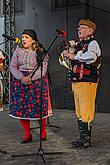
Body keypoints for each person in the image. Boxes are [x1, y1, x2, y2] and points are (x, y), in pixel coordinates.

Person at [59, 19, 101, 148]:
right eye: (79, 27)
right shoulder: (79, 44)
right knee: (79, 110)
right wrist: (67, 55)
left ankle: (86, 139)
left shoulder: (92, 43)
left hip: (87, 82)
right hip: (77, 81)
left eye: (82, 27)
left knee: (86, 110)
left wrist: (74, 56)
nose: (79, 30)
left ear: (90, 31)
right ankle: (82, 138)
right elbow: (71, 55)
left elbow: (92, 57)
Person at [9, 29, 52, 143]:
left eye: (26, 37)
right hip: (21, 81)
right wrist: (21, 77)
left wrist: (30, 78)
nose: (23, 39)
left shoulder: (40, 51)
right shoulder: (18, 51)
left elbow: (43, 69)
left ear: (33, 39)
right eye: (22, 37)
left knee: (38, 109)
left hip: (36, 82)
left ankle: (43, 132)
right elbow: (12, 66)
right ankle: (27, 134)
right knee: (22, 109)